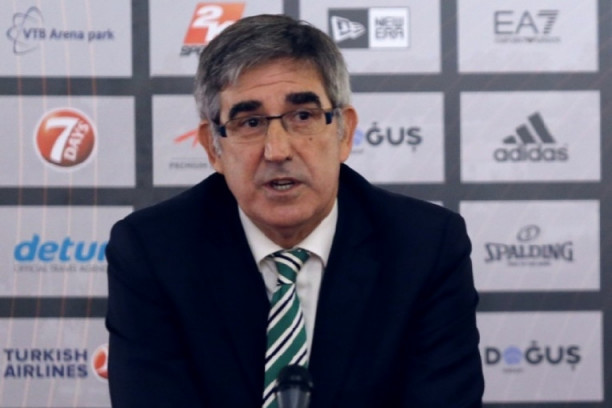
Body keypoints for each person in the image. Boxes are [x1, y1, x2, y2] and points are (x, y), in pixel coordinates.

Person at [105, 14, 484, 408]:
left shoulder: (425, 247)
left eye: (302, 116)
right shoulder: (153, 252)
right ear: (213, 147)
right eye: (250, 122)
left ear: (344, 132)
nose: (277, 150)